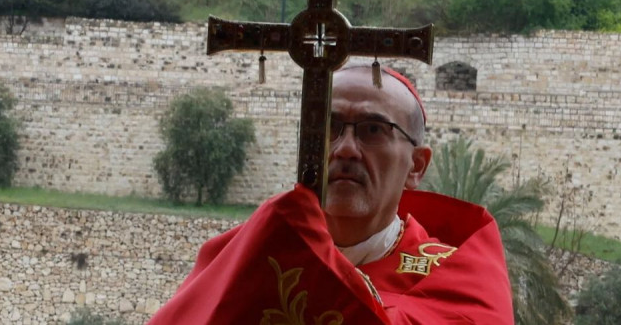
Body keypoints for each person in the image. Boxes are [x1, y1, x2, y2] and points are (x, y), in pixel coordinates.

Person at [148, 65, 513, 324]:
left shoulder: (458, 280)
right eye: (330, 127)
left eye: (373, 129)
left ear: (416, 166)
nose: (345, 149)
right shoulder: (247, 256)